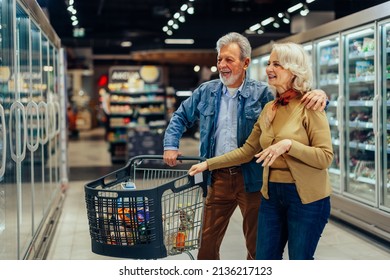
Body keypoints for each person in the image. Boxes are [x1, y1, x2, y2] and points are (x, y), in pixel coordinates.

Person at [163, 33, 327, 260]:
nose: (222, 65)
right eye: (220, 59)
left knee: (257, 246)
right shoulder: (206, 92)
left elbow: (294, 94)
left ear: (246, 63)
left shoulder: (263, 93)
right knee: (206, 244)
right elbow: (180, 117)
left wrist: (321, 95)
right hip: (217, 177)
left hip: (252, 177)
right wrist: (171, 145)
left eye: (229, 60)